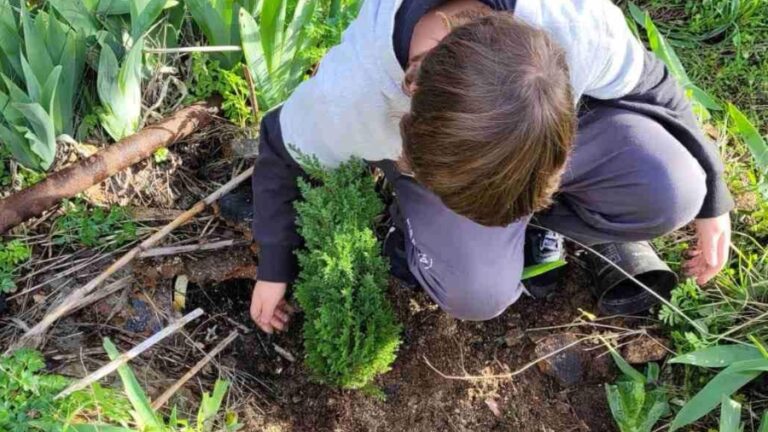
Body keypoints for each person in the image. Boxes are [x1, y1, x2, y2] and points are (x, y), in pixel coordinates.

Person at [247, 0, 733, 333]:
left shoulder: (574, 22)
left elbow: (655, 85)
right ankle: (422, 225)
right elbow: (277, 144)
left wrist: (714, 196)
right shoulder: (354, 98)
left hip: (532, 130)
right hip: (448, 159)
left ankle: (522, 216)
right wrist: (274, 264)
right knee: (476, 293)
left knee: (675, 190)